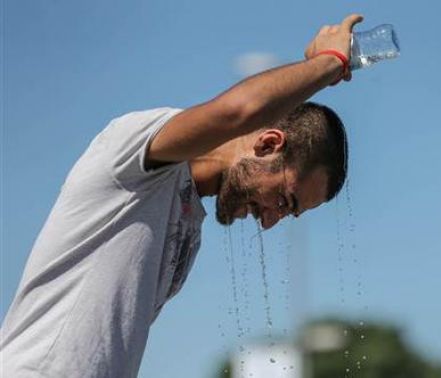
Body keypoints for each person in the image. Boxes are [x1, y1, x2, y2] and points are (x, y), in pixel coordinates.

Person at [0, 14, 364, 377]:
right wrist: (329, 63)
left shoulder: (189, 222)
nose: (269, 221)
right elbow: (237, 112)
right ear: (268, 144)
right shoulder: (135, 155)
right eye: (284, 201)